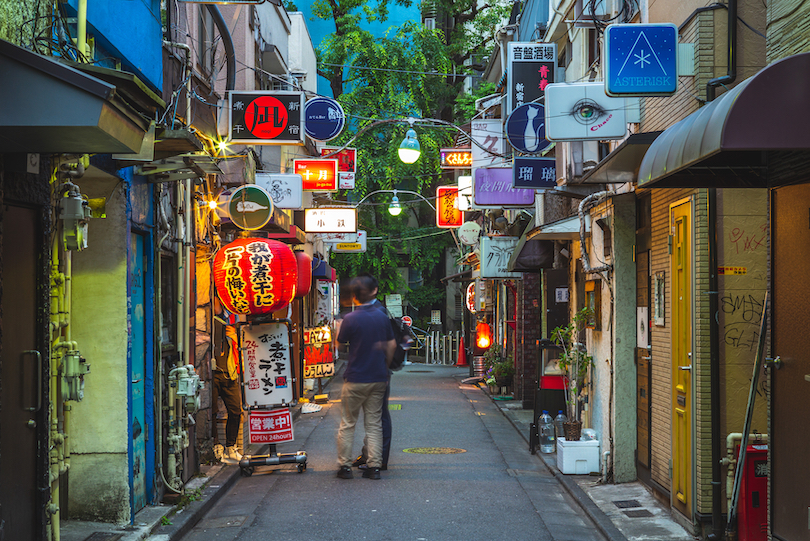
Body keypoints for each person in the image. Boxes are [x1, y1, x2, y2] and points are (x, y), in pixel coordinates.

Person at [335, 274, 395, 480]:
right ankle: (374, 467)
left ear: (354, 297)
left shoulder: (350, 319)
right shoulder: (381, 316)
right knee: (374, 424)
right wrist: (384, 368)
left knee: (348, 423)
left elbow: (340, 345)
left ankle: (344, 467)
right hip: (378, 377)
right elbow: (391, 346)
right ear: (374, 291)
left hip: (354, 378)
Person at [212, 300, 244, 465]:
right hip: (213, 373)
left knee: (236, 410)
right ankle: (216, 447)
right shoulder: (210, 323)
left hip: (229, 372)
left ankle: (231, 447)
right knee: (212, 412)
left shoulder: (232, 320)